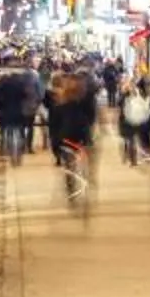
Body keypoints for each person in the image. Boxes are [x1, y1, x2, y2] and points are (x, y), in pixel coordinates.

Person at [44, 71, 98, 203]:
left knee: (70, 164)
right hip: (80, 137)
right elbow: (91, 117)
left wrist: (55, 144)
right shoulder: (85, 101)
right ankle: (84, 179)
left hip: (66, 138)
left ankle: (71, 186)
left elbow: (54, 125)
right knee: (82, 160)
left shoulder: (60, 104)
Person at [119, 75, 150, 167]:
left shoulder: (129, 92)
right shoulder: (137, 92)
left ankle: (132, 159)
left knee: (130, 139)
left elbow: (121, 104)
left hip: (129, 118)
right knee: (132, 139)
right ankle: (133, 158)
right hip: (132, 117)